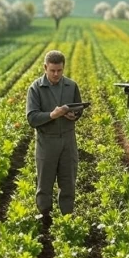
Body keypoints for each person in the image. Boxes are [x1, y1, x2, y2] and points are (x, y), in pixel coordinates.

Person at [25, 50, 83, 220]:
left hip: (68, 140)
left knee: (68, 181)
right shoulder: (36, 88)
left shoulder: (71, 86)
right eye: (52, 70)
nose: (56, 74)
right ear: (45, 67)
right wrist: (53, 114)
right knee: (45, 183)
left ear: (63, 67)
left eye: (59, 70)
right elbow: (32, 118)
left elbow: (79, 108)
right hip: (47, 141)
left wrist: (75, 115)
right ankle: (45, 217)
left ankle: (67, 217)